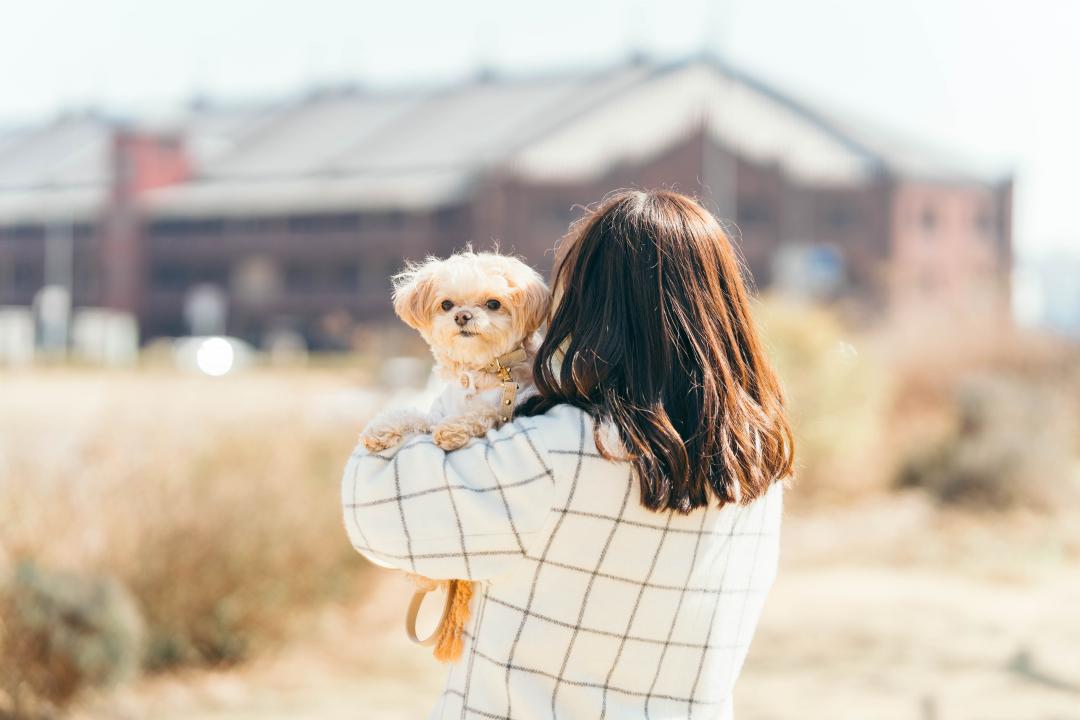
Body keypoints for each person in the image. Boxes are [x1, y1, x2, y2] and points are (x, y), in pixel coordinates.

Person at [342, 189, 794, 720]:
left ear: (587, 306)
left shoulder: (556, 449)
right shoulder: (754, 458)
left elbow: (372, 508)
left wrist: (462, 378)